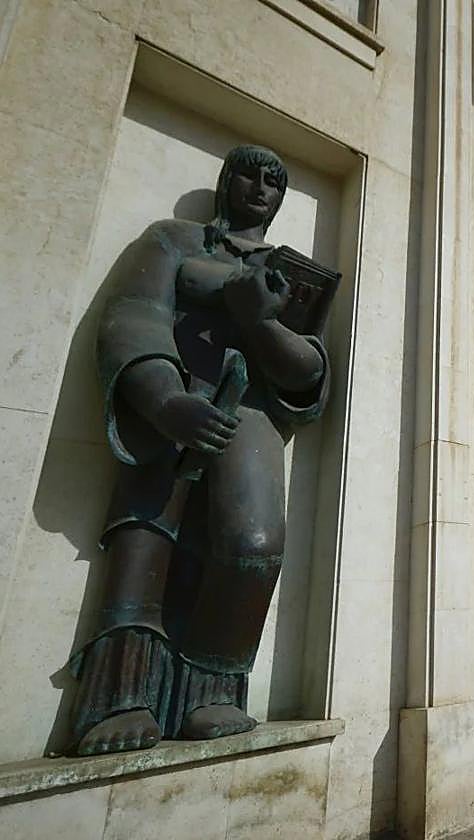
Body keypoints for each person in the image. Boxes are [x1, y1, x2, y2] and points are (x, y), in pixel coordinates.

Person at [70, 145, 331, 756]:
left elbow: (311, 368)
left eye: (275, 178)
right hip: (177, 401)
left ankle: (212, 688)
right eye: (250, 172)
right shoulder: (173, 239)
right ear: (225, 179)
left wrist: (261, 323)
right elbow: (134, 315)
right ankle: (123, 697)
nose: (261, 186)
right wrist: (163, 400)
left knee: (255, 543)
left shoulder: (291, 272)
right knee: (147, 534)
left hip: (250, 414)